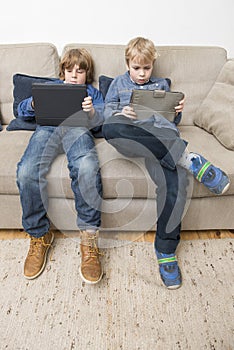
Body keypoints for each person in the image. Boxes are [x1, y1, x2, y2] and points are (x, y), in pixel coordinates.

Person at [102, 37, 230, 289]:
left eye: (146, 68)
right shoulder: (117, 84)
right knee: (110, 127)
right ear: (127, 64)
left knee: (176, 181)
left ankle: (165, 250)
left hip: (161, 139)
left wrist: (177, 110)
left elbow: (171, 122)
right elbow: (106, 113)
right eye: (136, 68)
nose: (141, 73)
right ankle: (188, 159)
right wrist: (121, 112)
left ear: (152, 66)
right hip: (132, 135)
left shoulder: (161, 85)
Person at [17, 48, 104, 284]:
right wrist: (34, 103)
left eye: (80, 71)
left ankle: (88, 239)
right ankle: (39, 235)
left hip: (77, 128)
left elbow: (100, 123)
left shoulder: (92, 93)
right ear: (62, 72)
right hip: (47, 129)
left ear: (87, 74)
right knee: (26, 172)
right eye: (69, 70)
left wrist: (92, 112)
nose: (74, 75)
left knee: (86, 167)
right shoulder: (50, 87)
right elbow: (21, 111)